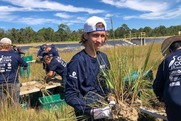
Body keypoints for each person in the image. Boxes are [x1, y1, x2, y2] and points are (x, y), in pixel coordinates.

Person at [64, 16, 115, 121]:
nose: (100, 40)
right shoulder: (77, 61)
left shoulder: (103, 57)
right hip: (88, 115)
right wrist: (92, 112)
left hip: (106, 110)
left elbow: (107, 84)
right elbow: (70, 95)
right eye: (95, 35)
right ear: (85, 36)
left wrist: (112, 97)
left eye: (102, 36)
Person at [153, 36, 181, 121]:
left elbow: (157, 87)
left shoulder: (166, 61)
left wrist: (162, 98)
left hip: (174, 101)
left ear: (170, 51)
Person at [0, 37, 28, 107]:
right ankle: (16, 116)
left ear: (0, 45)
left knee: (2, 104)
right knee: (15, 103)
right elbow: (25, 64)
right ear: (9, 46)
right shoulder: (15, 55)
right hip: (13, 82)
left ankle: (3, 116)